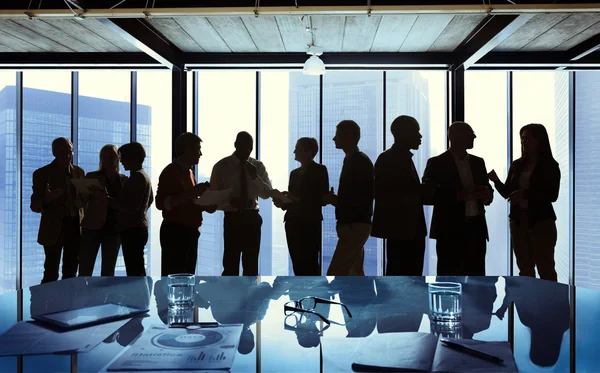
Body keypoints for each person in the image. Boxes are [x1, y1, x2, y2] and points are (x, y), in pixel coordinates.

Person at [488, 123, 560, 281]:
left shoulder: (550, 165)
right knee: (524, 269)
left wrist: (525, 194)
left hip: (541, 223)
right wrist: (495, 181)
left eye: (527, 139)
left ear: (539, 140)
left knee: (546, 268)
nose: (523, 143)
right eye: (522, 139)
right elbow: (508, 193)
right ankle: (529, 304)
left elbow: (552, 195)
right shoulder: (517, 165)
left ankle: (550, 304)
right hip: (518, 222)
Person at [422, 121, 493, 276]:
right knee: (449, 275)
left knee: (477, 277)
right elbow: (428, 195)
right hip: (449, 230)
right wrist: (458, 196)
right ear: (454, 136)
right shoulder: (436, 163)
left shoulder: (478, 162)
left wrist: (487, 195)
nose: (474, 136)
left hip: (476, 230)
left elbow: (488, 191)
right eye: (470, 133)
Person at [371, 115, 437, 276]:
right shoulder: (390, 159)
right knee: (404, 274)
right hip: (402, 230)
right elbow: (391, 194)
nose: (420, 136)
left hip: (405, 230)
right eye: (416, 132)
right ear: (404, 134)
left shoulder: (394, 158)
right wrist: (423, 190)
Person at [209, 131, 272, 276]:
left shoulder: (258, 166)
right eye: (244, 146)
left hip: (252, 217)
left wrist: (254, 176)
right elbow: (213, 196)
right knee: (230, 263)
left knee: (251, 266)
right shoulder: (221, 166)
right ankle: (230, 297)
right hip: (232, 217)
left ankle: (249, 296)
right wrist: (230, 201)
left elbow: (266, 194)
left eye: (250, 147)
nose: (247, 150)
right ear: (236, 145)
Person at [155, 132, 217, 276]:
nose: (200, 153)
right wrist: (192, 192)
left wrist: (205, 206)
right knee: (176, 277)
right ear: (187, 149)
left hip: (188, 232)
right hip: (176, 232)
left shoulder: (189, 172)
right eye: (197, 149)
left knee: (186, 277)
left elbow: (188, 203)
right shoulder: (170, 171)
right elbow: (161, 203)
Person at [30, 137, 85, 284]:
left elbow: (83, 200)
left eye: (70, 152)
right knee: (51, 271)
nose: (68, 156)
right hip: (53, 228)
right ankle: (48, 306)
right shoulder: (42, 174)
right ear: (54, 153)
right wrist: (47, 199)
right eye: (63, 152)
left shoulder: (79, 172)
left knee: (71, 270)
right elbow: (34, 205)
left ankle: (68, 305)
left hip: (75, 226)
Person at [323, 120, 374, 276]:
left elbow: (361, 197)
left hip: (354, 225)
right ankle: (358, 301)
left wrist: (335, 200)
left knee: (336, 272)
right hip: (354, 224)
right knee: (354, 273)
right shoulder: (353, 160)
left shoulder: (359, 161)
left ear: (348, 136)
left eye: (337, 134)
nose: (333, 139)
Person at [274, 137, 329, 276]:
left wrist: (295, 198)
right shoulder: (294, 174)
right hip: (292, 222)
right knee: (297, 263)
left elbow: (321, 199)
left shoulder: (320, 170)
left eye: (297, 148)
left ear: (308, 151)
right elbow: (293, 200)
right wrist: (282, 202)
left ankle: (313, 295)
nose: (294, 151)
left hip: (309, 223)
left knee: (310, 262)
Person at [78, 145, 128, 277]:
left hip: (114, 228)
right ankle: (82, 294)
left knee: (108, 270)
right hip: (92, 227)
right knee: (85, 267)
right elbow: (81, 201)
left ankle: (104, 297)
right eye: (104, 157)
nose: (107, 160)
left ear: (117, 159)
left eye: (111, 157)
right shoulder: (91, 177)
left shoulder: (124, 180)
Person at [109, 142, 153, 276]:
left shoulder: (137, 177)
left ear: (132, 158)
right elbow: (150, 199)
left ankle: (139, 296)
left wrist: (107, 200)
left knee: (134, 271)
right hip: (139, 227)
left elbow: (131, 207)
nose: (121, 161)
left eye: (123, 157)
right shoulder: (143, 175)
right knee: (137, 268)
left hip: (132, 229)